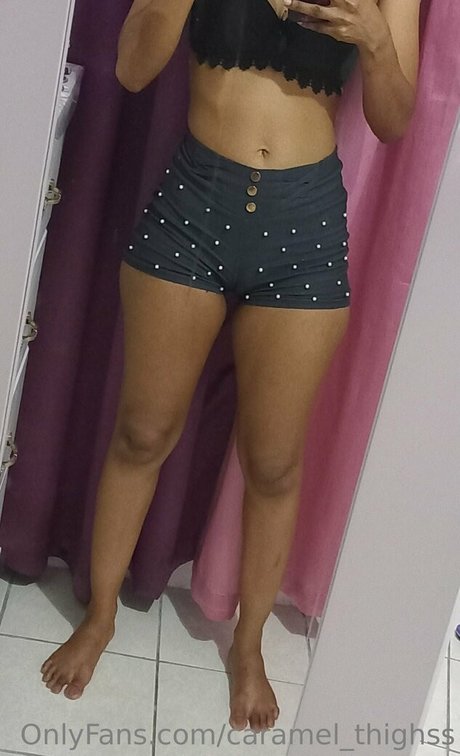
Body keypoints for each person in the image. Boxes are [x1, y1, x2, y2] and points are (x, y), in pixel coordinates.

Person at [40, 0, 420, 734]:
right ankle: (101, 616)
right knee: (142, 433)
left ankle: (248, 647)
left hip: (305, 222)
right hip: (195, 201)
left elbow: (394, 120)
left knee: (273, 463)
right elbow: (133, 68)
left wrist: (377, 41)